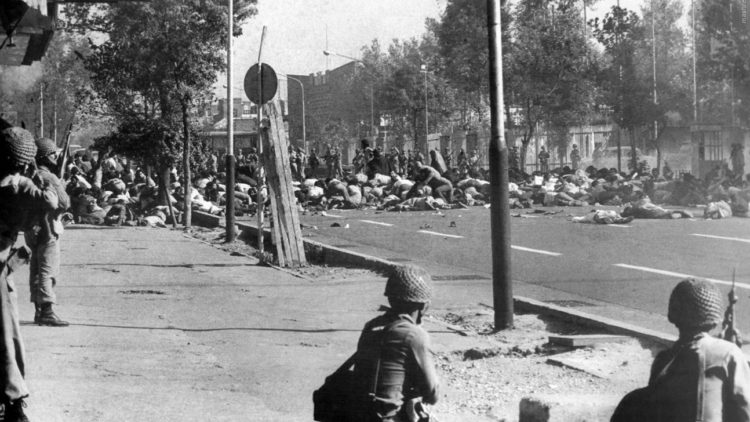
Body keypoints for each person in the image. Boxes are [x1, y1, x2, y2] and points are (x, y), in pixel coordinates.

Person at [612, 278, 750, 422]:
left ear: (673, 315)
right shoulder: (728, 353)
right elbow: (745, 408)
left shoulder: (663, 359)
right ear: (714, 318)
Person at [0, 125, 60, 422]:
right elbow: (52, 201)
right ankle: (13, 400)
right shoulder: (21, 185)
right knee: (7, 334)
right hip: (0, 266)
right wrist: (40, 177)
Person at [351, 265, 439, 421]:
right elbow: (432, 393)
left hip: (359, 412)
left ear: (390, 298)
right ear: (423, 305)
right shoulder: (414, 335)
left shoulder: (372, 326)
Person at [25, 138, 70, 327]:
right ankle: (47, 310)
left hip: (32, 227)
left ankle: (38, 308)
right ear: (46, 156)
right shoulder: (49, 177)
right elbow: (64, 202)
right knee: (48, 268)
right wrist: (61, 183)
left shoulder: (31, 175)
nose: (57, 157)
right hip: (47, 226)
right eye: (54, 154)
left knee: (36, 267)